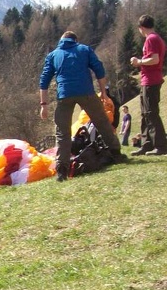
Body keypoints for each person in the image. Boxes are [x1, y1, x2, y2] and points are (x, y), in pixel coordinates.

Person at [39, 31, 125, 182]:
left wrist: (43, 105)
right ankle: (116, 154)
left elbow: (44, 81)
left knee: (62, 132)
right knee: (102, 122)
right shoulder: (84, 50)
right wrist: (104, 94)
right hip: (86, 92)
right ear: (75, 40)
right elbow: (99, 70)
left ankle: (62, 170)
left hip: (64, 95)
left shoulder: (53, 55)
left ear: (61, 40)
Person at [130, 14, 166, 156]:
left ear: (141, 27)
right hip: (148, 80)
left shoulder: (151, 39)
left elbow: (154, 59)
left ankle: (161, 145)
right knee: (145, 113)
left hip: (151, 80)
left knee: (151, 113)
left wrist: (139, 62)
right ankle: (147, 144)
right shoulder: (156, 38)